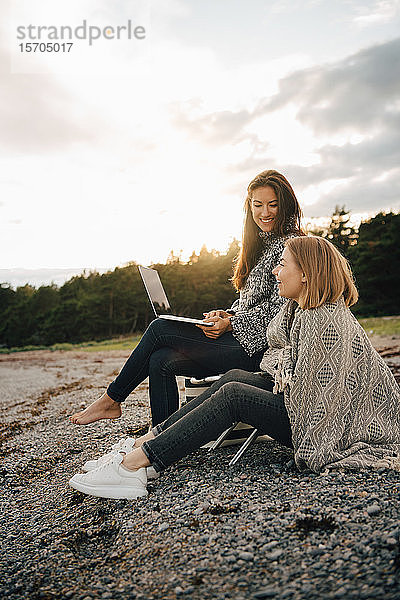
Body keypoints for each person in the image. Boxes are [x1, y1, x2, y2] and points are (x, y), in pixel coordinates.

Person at [69, 236, 400, 499]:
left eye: (282, 265)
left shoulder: (322, 318)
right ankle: (149, 441)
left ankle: (133, 466)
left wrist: (275, 373)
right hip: (304, 407)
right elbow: (281, 361)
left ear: (306, 274)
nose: (275, 271)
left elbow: (316, 402)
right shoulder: (303, 311)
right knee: (236, 377)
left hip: (316, 425)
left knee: (234, 394)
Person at [70, 170, 303, 426]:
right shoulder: (259, 246)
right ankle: (161, 437)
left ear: (285, 205)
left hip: (258, 349)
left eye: (273, 204)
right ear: (249, 207)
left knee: (160, 328)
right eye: (258, 205)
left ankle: (111, 400)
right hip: (240, 338)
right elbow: (250, 303)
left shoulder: (291, 245)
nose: (265, 212)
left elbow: (282, 311)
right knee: (161, 361)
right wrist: (227, 314)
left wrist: (233, 324)